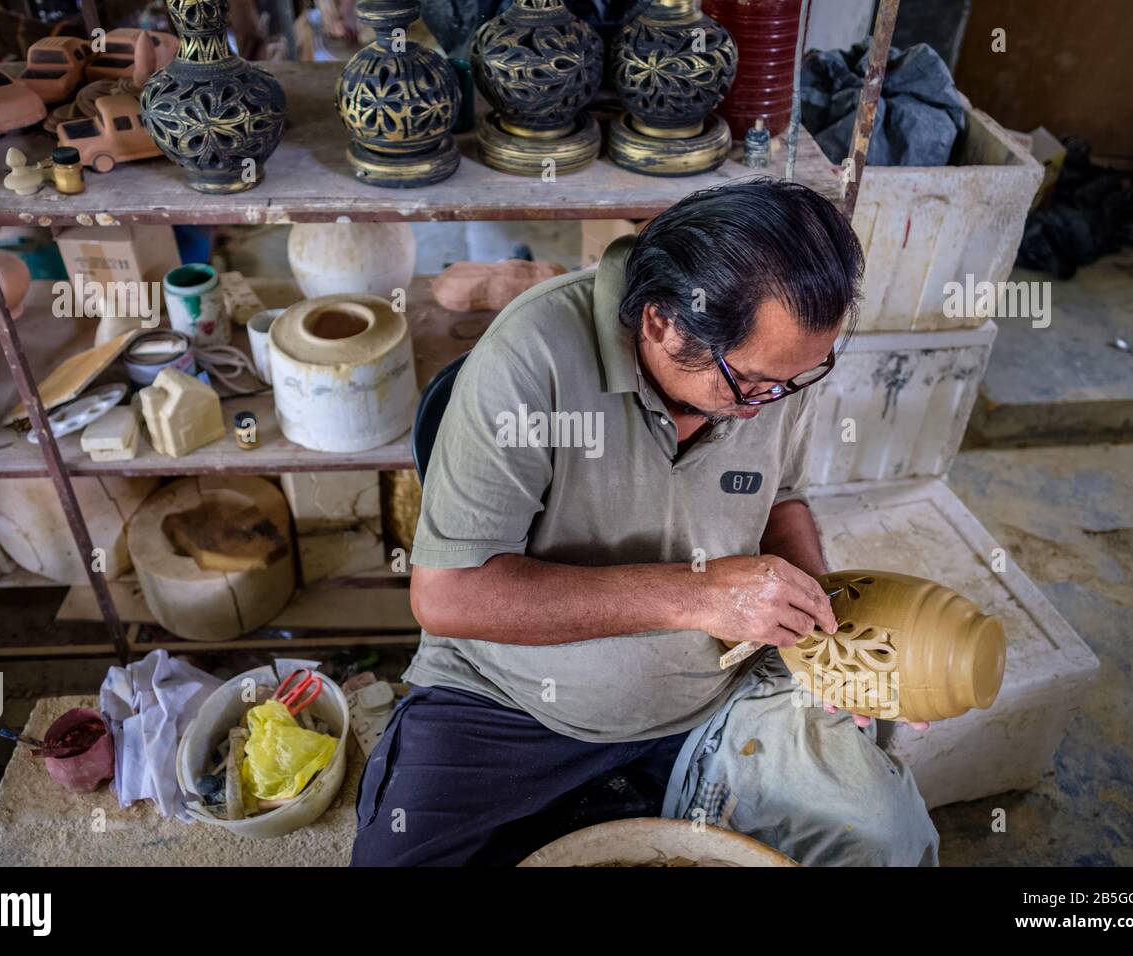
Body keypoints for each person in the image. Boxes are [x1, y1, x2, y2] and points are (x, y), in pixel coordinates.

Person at [351, 178, 938, 866]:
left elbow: (780, 495)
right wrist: (702, 595)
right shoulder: (530, 358)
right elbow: (447, 594)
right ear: (663, 323)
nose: (769, 403)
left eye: (799, 380)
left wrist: (826, 635)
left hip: (717, 696)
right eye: (750, 382)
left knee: (885, 837)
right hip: (509, 705)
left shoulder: (775, 371)